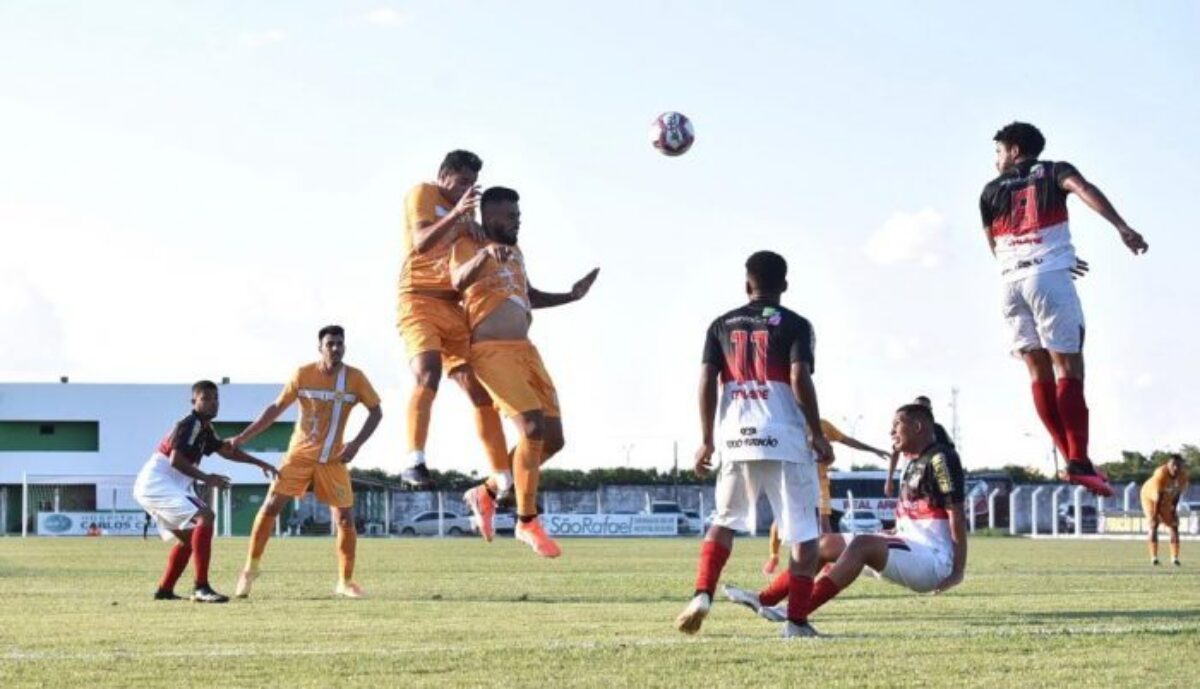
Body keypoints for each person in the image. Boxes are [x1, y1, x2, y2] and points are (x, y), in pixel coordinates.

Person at [979, 122, 1148, 497]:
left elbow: (996, 246)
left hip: (1009, 284)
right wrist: (1121, 227)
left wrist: (1043, 262)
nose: (996, 159)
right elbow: (1083, 189)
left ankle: (1071, 458)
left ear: (1016, 150)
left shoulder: (989, 192)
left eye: (998, 150)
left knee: (1037, 371)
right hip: (1048, 278)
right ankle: (1079, 460)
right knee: (1068, 368)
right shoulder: (1055, 170)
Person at [674, 250, 832, 639]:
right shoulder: (796, 324)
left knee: (723, 521)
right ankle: (796, 623)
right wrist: (816, 431)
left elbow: (707, 381)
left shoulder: (720, 325)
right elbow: (798, 377)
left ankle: (702, 593)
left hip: (735, 438)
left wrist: (707, 439)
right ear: (785, 285)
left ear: (747, 284)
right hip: (784, 438)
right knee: (804, 535)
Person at [448, 186, 598, 555]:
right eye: (512, 216)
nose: (518, 221)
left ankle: (487, 490)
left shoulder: (515, 252)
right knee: (530, 425)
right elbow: (457, 280)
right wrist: (485, 255)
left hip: (526, 351)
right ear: (493, 217)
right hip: (490, 352)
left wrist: (570, 296)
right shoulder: (468, 245)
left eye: (519, 215)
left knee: (553, 438)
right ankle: (526, 521)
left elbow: (526, 296)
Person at [725, 404, 967, 623]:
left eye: (896, 425)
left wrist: (957, 571)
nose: (891, 432)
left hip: (933, 560)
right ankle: (765, 599)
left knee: (861, 545)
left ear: (917, 426)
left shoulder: (940, 459)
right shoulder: (912, 461)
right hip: (910, 545)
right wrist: (894, 531)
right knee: (823, 544)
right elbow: (918, 514)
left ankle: (796, 612)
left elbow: (955, 513)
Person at [232, 326, 383, 598]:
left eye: (340, 343)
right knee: (269, 507)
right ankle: (249, 570)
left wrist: (356, 443)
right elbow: (276, 408)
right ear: (320, 347)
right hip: (298, 455)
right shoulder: (303, 374)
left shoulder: (355, 378)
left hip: (332, 459)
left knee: (346, 519)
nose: (335, 348)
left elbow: (376, 412)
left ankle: (345, 582)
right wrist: (244, 436)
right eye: (330, 344)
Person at [397, 150, 511, 492]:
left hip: (454, 307)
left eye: (472, 184)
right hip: (417, 299)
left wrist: (493, 243)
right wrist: (459, 215)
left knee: (480, 392)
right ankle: (413, 461)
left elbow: (470, 245)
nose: (467, 190)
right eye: (462, 181)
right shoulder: (424, 193)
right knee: (428, 371)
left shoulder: (466, 209)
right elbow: (421, 242)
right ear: (443, 175)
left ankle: (502, 478)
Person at [133, 380, 277, 602]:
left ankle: (165, 590)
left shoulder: (205, 428)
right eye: (206, 399)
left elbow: (226, 451)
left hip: (161, 485)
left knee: (189, 540)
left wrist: (259, 463)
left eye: (215, 398)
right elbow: (175, 460)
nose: (213, 403)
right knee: (206, 515)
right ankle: (201, 587)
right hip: (157, 482)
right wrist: (207, 478)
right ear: (194, 402)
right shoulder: (190, 424)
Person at [760, 417, 891, 574]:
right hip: (795, 480)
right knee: (780, 520)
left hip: (820, 482)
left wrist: (873, 450)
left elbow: (846, 440)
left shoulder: (822, 425)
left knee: (825, 526)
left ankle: (826, 561)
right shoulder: (788, 423)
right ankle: (774, 556)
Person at [884, 395, 953, 497]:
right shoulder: (905, 429)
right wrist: (889, 479)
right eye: (918, 408)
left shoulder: (938, 430)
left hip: (931, 480)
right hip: (910, 478)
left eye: (925, 409)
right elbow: (895, 452)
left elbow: (946, 455)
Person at [1141, 454, 1189, 566]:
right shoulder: (1161, 473)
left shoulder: (1183, 476)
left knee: (1174, 525)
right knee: (1154, 525)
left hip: (1167, 497)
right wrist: (1154, 517)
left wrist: (1173, 510)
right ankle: (1154, 558)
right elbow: (1158, 498)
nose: (1175, 468)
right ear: (1168, 465)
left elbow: (1177, 495)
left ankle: (1175, 558)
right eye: (1173, 465)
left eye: (1178, 465)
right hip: (1150, 497)